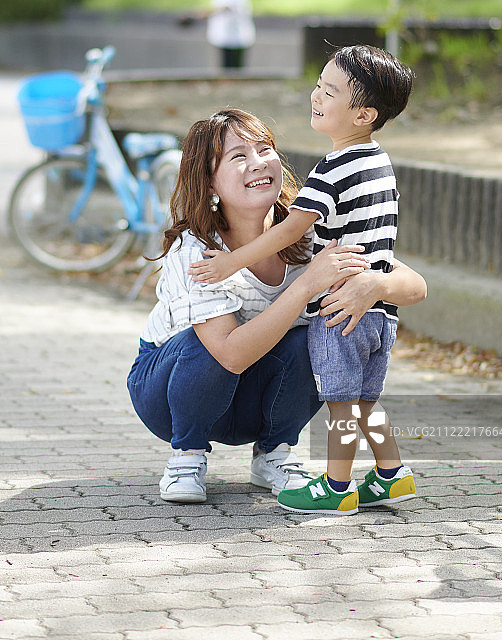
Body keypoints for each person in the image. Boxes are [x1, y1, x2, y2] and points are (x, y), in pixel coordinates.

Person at [127, 108, 427, 505]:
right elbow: (229, 354)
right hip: (168, 391)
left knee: (320, 336)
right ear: (210, 181)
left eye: (264, 149)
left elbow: (414, 286)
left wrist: (374, 284)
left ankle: (275, 453)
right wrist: (306, 286)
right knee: (205, 340)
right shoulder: (197, 249)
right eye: (238, 156)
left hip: (249, 397)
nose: (258, 163)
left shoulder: (311, 231)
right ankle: (186, 456)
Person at [189, 46, 418, 515]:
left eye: (328, 92)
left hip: (339, 307)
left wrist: (230, 263)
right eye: (318, 84)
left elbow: (290, 229)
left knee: (340, 403)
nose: (315, 96)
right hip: (379, 311)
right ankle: (392, 475)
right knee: (365, 399)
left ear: (363, 113)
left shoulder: (333, 168)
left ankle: (336, 487)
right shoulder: (379, 162)